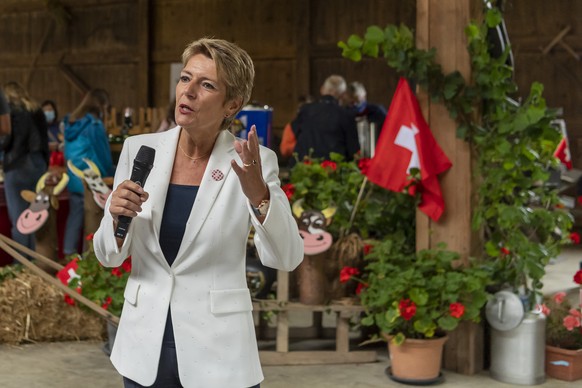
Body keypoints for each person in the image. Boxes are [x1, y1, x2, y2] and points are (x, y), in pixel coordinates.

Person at [93, 37, 303, 388]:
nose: (188, 91)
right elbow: (108, 256)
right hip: (144, 344)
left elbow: (288, 257)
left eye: (206, 85)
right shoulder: (138, 150)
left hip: (219, 350)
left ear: (231, 105)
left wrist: (259, 196)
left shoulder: (253, 161)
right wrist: (115, 218)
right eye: (185, 78)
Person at [63, 88, 114, 257]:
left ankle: (69, 254)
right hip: (92, 180)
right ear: (101, 105)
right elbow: (102, 153)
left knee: (75, 216)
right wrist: (112, 173)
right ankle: (90, 256)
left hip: (75, 177)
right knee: (93, 219)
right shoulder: (94, 125)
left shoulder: (72, 123)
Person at [1, 82, 49, 253]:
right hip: (38, 164)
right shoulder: (37, 110)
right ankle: (38, 260)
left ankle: (22, 264)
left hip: (16, 165)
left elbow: (6, 140)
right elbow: (45, 140)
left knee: (20, 219)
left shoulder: (9, 113)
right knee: (37, 215)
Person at [290, 75, 359, 166]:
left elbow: (293, 133)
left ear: (322, 89)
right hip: (332, 170)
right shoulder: (345, 115)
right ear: (342, 95)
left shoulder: (305, 110)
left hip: (303, 167)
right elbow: (353, 150)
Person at [41, 99, 65, 166]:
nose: (48, 112)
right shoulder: (39, 128)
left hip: (61, 161)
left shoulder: (61, 126)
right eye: (45, 111)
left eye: (50, 110)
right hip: (46, 162)